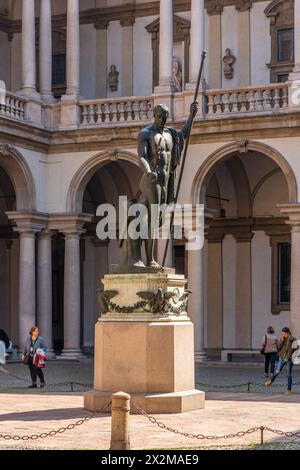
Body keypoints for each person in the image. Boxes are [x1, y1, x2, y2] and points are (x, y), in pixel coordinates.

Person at [137, 101, 198, 268]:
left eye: (165, 117)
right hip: (152, 180)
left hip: (166, 180)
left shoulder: (171, 134)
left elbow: (184, 134)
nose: (162, 120)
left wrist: (191, 116)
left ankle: (136, 226)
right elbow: (141, 156)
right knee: (154, 217)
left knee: (158, 220)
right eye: (159, 116)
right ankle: (150, 260)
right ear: (154, 116)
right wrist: (148, 169)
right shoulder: (146, 134)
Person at [265, 327, 298, 395]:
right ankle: (271, 381)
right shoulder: (282, 339)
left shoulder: (294, 340)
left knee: (289, 374)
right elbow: (279, 348)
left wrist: (292, 355)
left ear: (288, 333)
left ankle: (289, 389)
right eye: (282, 334)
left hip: (289, 359)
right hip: (282, 358)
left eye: (284, 334)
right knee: (277, 371)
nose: (283, 335)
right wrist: (282, 341)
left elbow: (296, 349)